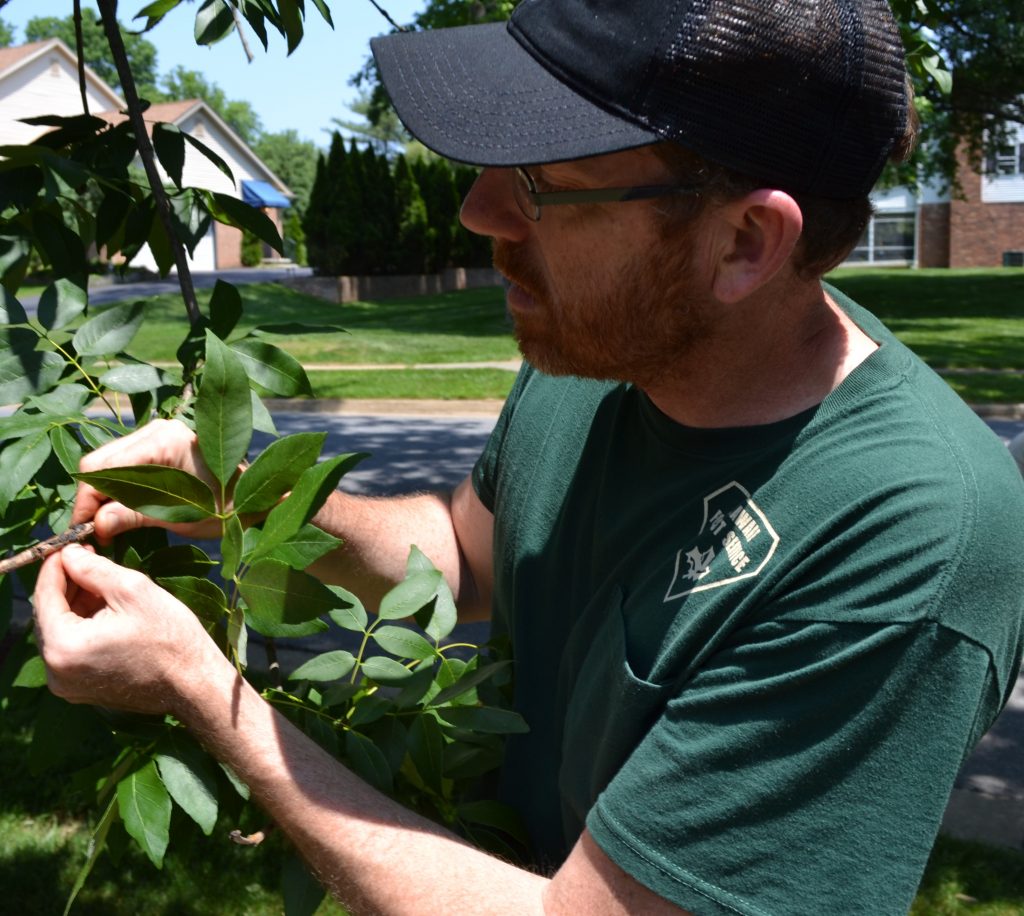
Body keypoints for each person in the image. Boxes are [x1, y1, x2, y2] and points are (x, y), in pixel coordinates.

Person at [32, 0, 1024, 913]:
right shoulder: (606, 342)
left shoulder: (908, 538)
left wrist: (204, 690)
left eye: (541, 184)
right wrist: (236, 497)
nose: (477, 212)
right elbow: (464, 557)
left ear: (743, 243)